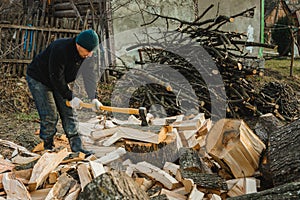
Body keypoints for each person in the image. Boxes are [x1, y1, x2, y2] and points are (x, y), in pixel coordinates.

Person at [26, 29, 102, 156]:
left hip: (58, 80)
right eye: (88, 51)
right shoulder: (60, 49)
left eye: (92, 51)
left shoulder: (88, 55)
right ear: (78, 45)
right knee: (50, 115)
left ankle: (78, 148)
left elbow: (89, 76)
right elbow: (56, 77)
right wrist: (70, 96)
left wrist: (93, 97)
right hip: (39, 79)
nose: (90, 54)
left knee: (69, 112)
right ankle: (47, 147)